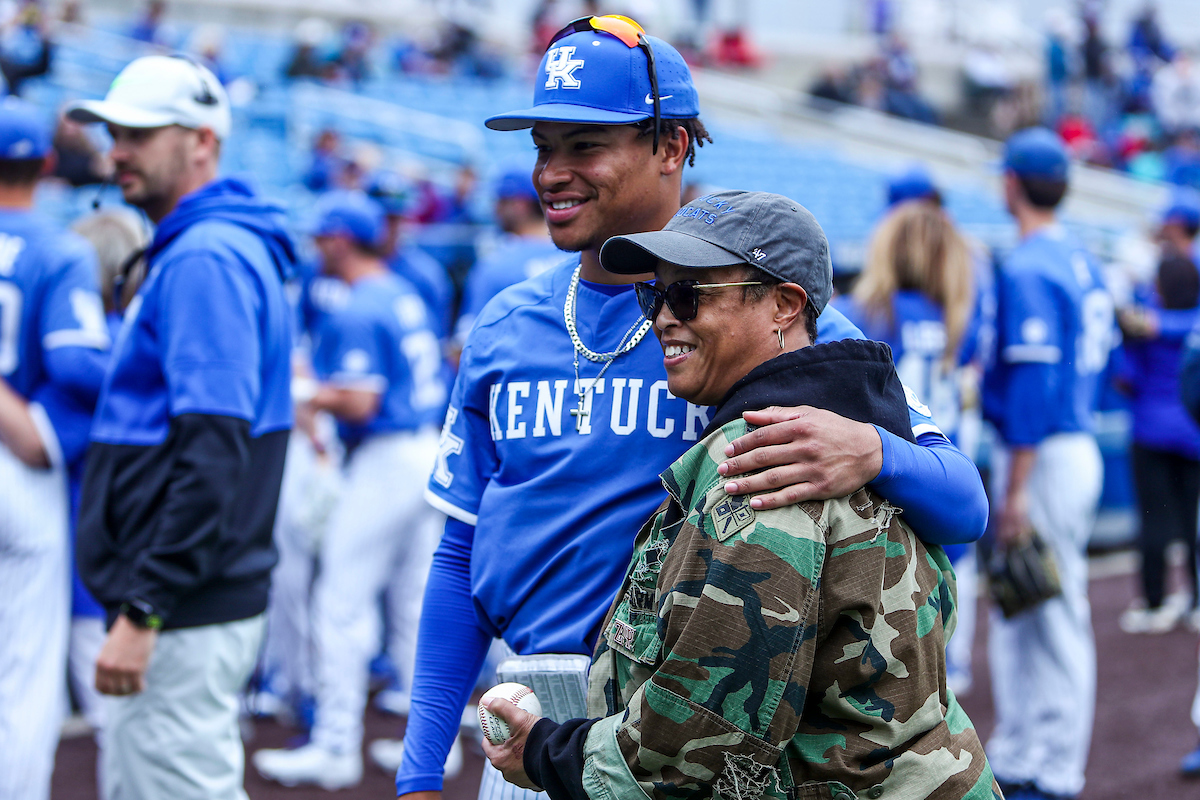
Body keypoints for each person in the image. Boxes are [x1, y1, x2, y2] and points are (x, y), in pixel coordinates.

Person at [398, 16, 988, 800]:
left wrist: (879, 451)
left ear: (672, 148)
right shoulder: (505, 324)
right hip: (529, 722)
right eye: (544, 146)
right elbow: (458, 556)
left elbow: (964, 501)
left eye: (585, 144)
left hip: (676, 728)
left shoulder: (765, 324)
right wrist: (418, 771)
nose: (554, 172)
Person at [482, 189, 1000, 800]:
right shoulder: (846, 419)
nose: (661, 317)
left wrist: (542, 751)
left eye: (688, 295)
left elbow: (694, 751)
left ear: (784, 305)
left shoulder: (771, 460)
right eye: (654, 294)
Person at [68, 54, 295, 799]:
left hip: (180, 610)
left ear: (202, 140)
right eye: (113, 132)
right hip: (188, 603)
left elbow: (212, 451)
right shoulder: (205, 245)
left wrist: (145, 608)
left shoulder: (206, 255)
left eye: (139, 132)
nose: (118, 150)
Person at [253, 191, 448, 789]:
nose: (316, 247)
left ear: (340, 239)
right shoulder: (399, 288)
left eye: (322, 236)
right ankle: (434, 751)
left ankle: (336, 746)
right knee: (413, 606)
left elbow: (361, 399)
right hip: (425, 449)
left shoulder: (359, 305)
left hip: (386, 457)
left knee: (340, 601)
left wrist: (306, 393)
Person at [982, 127, 1114, 800]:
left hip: (1045, 452)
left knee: (1052, 610)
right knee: (1022, 605)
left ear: (1012, 183)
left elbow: (1034, 385)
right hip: (1066, 442)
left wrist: (1017, 492)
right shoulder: (1080, 257)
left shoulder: (1032, 264)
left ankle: (1055, 766)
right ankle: (1024, 749)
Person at [0, 96, 110, 800]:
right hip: (17, 465)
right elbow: (79, 368)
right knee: (23, 672)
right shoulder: (59, 248)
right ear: (45, 163)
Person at [835, 198, 982, 692]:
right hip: (946, 486)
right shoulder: (960, 319)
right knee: (947, 662)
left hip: (890, 492)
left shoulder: (863, 314)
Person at [1114, 253, 1200, 633]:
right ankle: (1196, 602)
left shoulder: (1143, 322)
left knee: (1153, 521)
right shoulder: (1186, 322)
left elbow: (1124, 377)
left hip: (1150, 430)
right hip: (1193, 434)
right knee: (1193, 522)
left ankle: (1154, 604)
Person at [454, 168, 563, 344]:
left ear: (520, 205)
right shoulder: (579, 258)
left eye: (500, 201)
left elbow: (467, 346)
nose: (495, 209)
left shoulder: (497, 264)